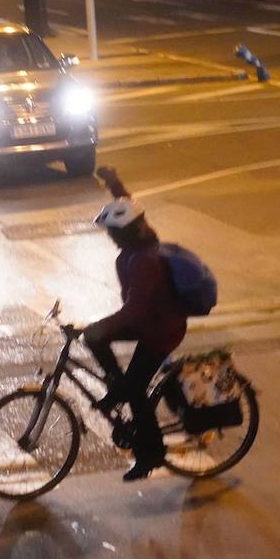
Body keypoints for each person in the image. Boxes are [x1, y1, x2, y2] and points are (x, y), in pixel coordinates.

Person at [83, 168, 188, 481]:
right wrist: (113, 181)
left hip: (161, 331)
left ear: (125, 233)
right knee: (94, 338)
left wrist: (101, 324)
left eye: (113, 233)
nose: (111, 238)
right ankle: (117, 385)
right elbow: (126, 203)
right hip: (149, 322)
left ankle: (150, 455)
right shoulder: (137, 240)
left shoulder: (144, 261)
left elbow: (135, 311)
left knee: (135, 392)